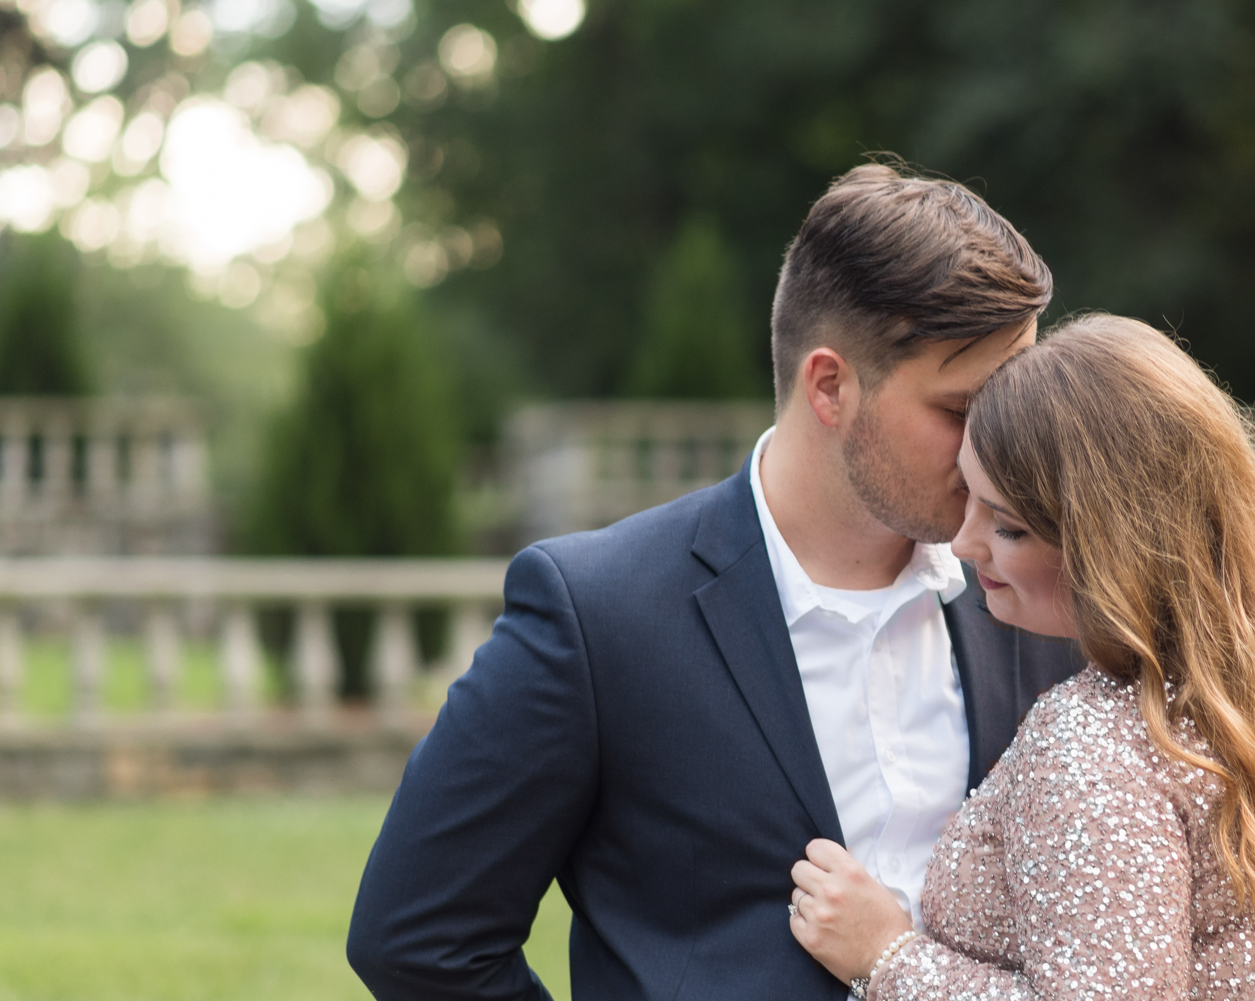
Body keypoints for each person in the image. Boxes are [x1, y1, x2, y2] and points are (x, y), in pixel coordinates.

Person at [346, 164, 1087, 1000]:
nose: (1004, 445)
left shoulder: (1045, 595)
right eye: (963, 409)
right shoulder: (600, 611)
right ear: (831, 386)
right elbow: (415, 936)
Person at [788, 315, 1255, 1000]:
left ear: (1114, 543)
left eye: (1008, 525)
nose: (964, 543)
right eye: (968, 498)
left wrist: (889, 955)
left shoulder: (1093, 741)